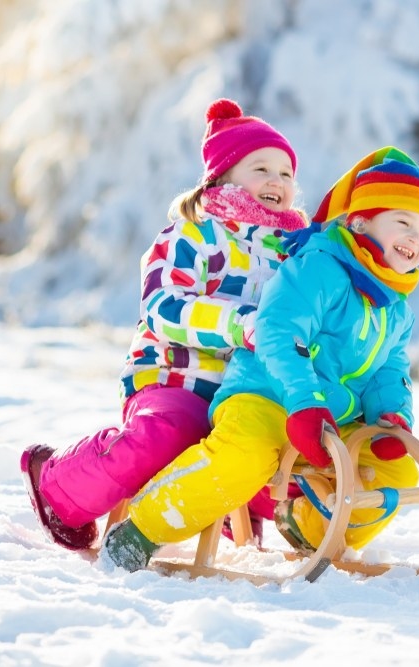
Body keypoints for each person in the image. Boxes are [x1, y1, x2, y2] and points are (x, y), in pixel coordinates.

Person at [101, 146, 419, 571]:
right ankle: (142, 529)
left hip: (329, 413)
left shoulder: (396, 308)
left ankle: (310, 526)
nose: (414, 238)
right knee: (243, 458)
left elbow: (389, 369)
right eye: (403, 223)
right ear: (360, 221)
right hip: (267, 394)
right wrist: (303, 401)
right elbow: (280, 333)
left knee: (397, 472)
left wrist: (392, 412)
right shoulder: (320, 267)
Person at [20, 98, 308, 551]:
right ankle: (58, 486)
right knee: (168, 435)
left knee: (283, 447)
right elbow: (164, 307)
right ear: (224, 174)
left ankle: (237, 506)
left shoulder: (289, 251)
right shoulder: (194, 233)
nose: (278, 181)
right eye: (262, 169)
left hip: (246, 394)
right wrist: (239, 325)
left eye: (287, 174)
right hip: (176, 380)